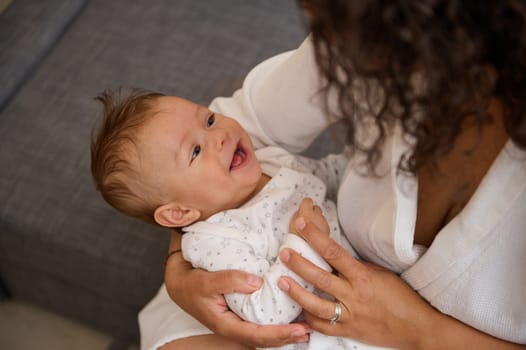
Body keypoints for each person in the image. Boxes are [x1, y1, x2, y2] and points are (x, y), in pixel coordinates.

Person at [150, 1, 526, 349]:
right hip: (286, 311)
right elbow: (231, 133)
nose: (325, 35)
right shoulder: (368, 23)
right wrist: (179, 274)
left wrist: (414, 329)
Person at [90, 90, 386, 349]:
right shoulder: (215, 241)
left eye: (208, 120)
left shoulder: (270, 161)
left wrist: (370, 164)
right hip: (326, 333)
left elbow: (328, 176)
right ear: (179, 213)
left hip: (365, 269)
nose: (218, 137)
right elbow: (266, 311)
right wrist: (305, 242)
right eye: (195, 151)